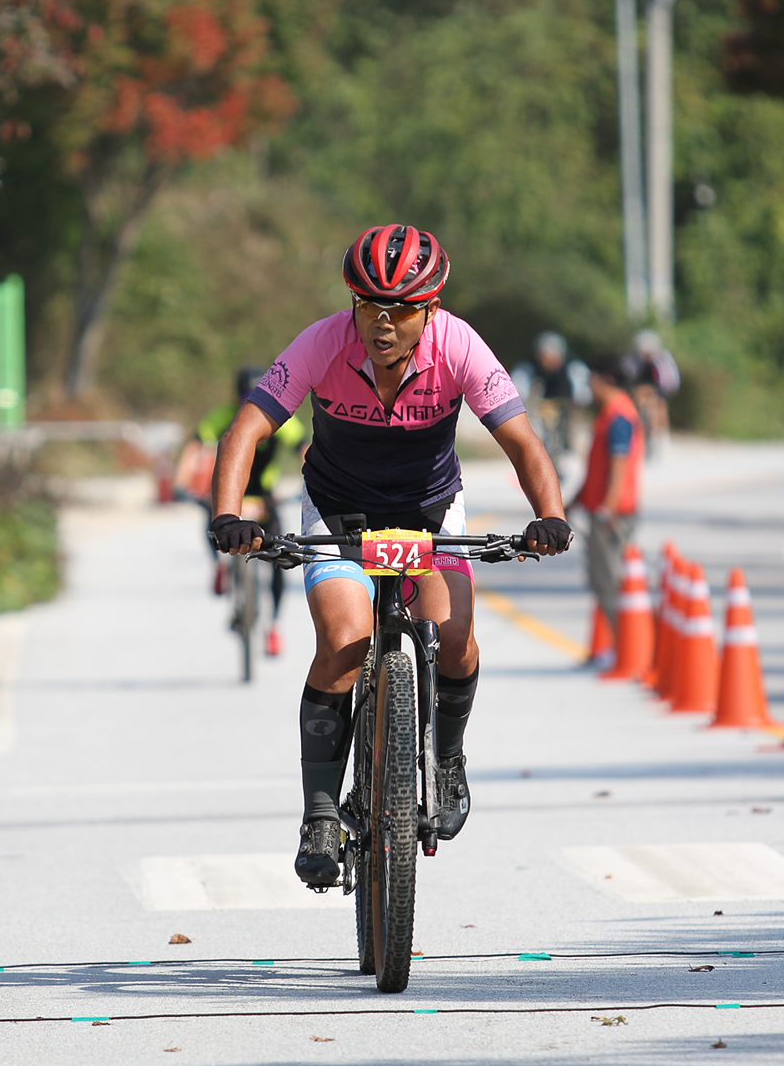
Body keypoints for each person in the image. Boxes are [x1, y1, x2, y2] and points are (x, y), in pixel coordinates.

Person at [207, 224, 572, 889]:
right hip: (337, 510)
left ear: (430, 309)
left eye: (401, 309)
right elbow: (246, 429)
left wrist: (550, 516)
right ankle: (321, 813)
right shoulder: (322, 342)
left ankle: (448, 759)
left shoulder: (459, 345)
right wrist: (228, 516)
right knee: (344, 642)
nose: (382, 322)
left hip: (428, 511)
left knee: (454, 637)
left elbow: (523, 442)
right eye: (368, 305)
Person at [175, 366, 306, 654]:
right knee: (212, 521)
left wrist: (312, 480)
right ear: (235, 397)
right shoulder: (222, 416)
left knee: (280, 558)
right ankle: (220, 565)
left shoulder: (279, 416)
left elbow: (304, 448)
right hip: (232, 496)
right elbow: (194, 447)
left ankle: (273, 626)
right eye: (244, 397)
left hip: (264, 497)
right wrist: (180, 484)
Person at [567, 354, 644, 639]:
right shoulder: (610, 413)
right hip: (601, 510)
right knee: (601, 580)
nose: (589, 385)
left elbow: (619, 466)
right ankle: (619, 646)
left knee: (612, 582)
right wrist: (573, 502)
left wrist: (607, 508)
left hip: (612, 515)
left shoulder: (619, 416)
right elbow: (597, 470)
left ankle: (628, 647)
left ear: (606, 379)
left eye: (593, 379)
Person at [510, 332, 591, 470]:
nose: (548, 362)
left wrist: (580, 398)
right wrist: (520, 398)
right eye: (544, 357)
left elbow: (582, 383)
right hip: (544, 401)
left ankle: (567, 448)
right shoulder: (530, 363)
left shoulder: (571, 364)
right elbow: (520, 379)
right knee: (541, 428)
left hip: (564, 401)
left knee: (568, 425)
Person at [623, 329, 679, 457]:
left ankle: (660, 438)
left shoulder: (663, 360)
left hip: (659, 391)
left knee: (659, 406)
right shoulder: (633, 359)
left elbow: (670, 382)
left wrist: (657, 393)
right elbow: (627, 376)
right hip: (639, 392)